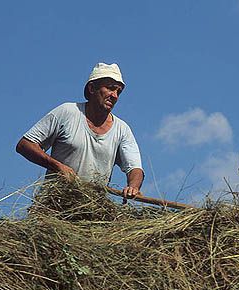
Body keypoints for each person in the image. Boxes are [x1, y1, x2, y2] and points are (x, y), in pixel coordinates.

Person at [16, 62, 144, 198]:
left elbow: (135, 168)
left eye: (118, 91)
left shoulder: (122, 129)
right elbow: (25, 145)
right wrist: (58, 166)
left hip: (94, 208)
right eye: (110, 88)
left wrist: (133, 186)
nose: (115, 96)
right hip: (55, 203)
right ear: (92, 88)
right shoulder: (67, 112)